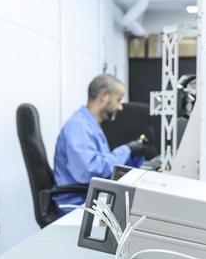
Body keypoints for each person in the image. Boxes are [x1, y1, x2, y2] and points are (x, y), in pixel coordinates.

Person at [51, 73, 146, 211]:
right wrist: (127, 150)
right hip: (78, 204)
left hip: (91, 197)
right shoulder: (79, 127)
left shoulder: (91, 125)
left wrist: (134, 155)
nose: (120, 107)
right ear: (104, 95)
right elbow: (90, 171)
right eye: (118, 100)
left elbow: (103, 164)